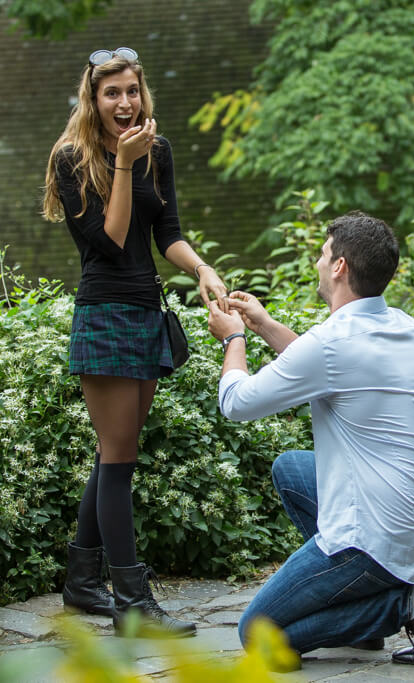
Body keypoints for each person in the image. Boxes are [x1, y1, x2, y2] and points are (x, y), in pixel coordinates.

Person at [206, 211, 414, 670]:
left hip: (382, 532)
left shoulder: (332, 343)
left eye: (324, 255)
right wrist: (264, 324)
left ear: (340, 266)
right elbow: (327, 363)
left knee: (259, 635)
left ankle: (405, 606)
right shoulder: (403, 326)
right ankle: (365, 606)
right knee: (291, 469)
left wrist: (235, 340)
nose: (318, 264)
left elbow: (237, 403)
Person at [42, 47, 229, 637]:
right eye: (111, 93)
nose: (125, 103)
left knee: (113, 452)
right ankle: (132, 605)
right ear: (92, 100)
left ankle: (81, 584)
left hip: (147, 309)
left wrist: (201, 269)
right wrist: (122, 164)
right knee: (119, 462)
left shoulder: (159, 151)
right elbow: (112, 237)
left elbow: (165, 232)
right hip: (103, 314)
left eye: (132, 92)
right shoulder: (72, 158)